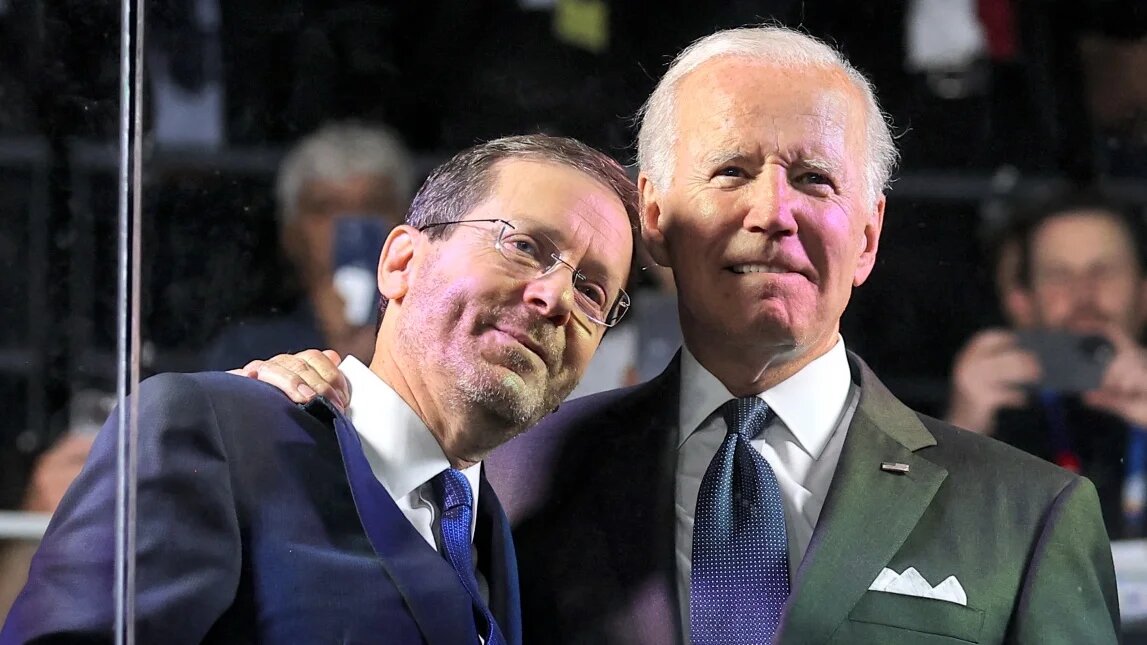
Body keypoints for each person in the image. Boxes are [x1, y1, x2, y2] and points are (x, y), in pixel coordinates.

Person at [244, 26, 1120, 644]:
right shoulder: (509, 477)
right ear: (652, 217)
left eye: (813, 178)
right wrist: (303, 415)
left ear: (867, 235)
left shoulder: (1027, 515)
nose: (772, 212)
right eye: (731, 170)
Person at [0, 134, 638, 644]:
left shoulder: (503, 530)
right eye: (524, 245)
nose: (555, 297)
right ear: (400, 263)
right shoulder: (214, 430)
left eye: (591, 291)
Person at [948, 190, 1147, 540]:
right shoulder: (994, 414)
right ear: (1022, 303)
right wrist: (960, 430)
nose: (1084, 294)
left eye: (1104, 271)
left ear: (1143, 295)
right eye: (1059, 275)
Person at [202, 121, 416, 369]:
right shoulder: (250, 353)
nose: (351, 226)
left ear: (406, 224)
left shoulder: (435, 341)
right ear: (291, 234)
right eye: (325, 208)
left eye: (373, 206)